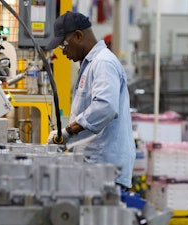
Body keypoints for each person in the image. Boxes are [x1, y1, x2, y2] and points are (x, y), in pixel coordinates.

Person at [46, 11, 136, 190]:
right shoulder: (90, 65)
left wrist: (68, 131)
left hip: (104, 171)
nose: (63, 52)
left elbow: (105, 107)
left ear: (78, 36)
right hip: (95, 168)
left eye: (64, 45)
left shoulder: (103, 63)